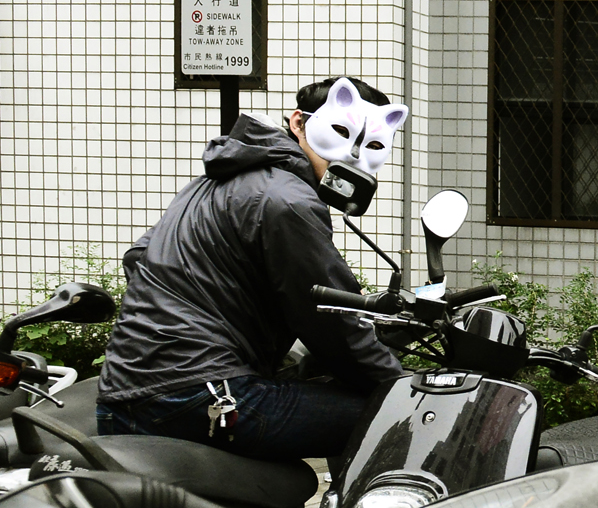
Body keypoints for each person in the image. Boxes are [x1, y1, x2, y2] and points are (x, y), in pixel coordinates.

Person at [97, 76, 411, 461]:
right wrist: (400, 390)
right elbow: (332, 323)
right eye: (342, 133)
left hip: (125, 393)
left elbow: (138, 256)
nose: (352, 154)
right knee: (395, 418)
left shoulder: (216, 180)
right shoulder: (288, 200)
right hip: (199, 396)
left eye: (374, 144)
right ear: (298, 123)